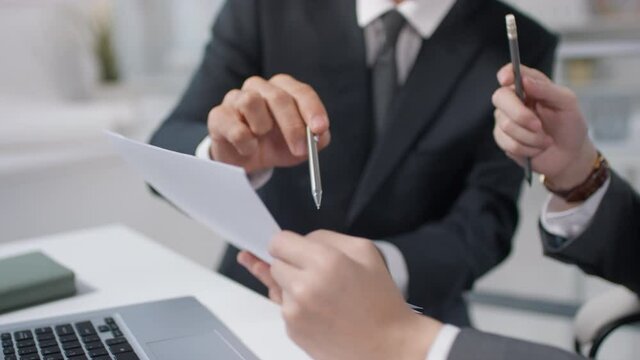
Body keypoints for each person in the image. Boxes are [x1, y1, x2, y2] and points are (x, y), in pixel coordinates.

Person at [150, 0, 557, 324]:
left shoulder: (517, 45)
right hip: (255, 303)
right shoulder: (264, 7)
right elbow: (166, 148)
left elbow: (487, 219)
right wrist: (223, 154)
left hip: (407, 316)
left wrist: (379, 268)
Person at [238, 63, 640, 360]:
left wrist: (404, 341)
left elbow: (485, 223)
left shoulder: (500, 33)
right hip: (253, 305)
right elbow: (180, 130)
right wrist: (578, 172)